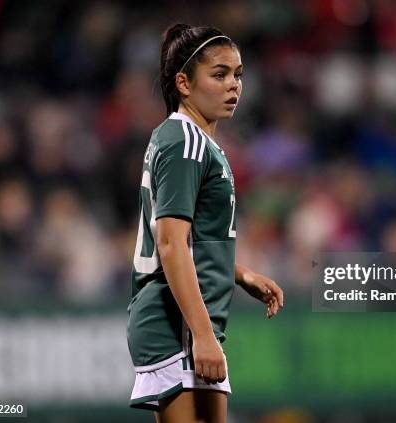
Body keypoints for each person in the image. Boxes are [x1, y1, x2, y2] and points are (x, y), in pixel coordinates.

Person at [126, 23, 284, 423]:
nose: (233, 85)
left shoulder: (191, 141)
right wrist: (202, 335)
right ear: (183, 82)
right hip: (177, 322)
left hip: (191, 321)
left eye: (238, 75)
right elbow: (169, 245)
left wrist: (240, 273)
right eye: (219, 75)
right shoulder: (186, 142)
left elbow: (189, 241)